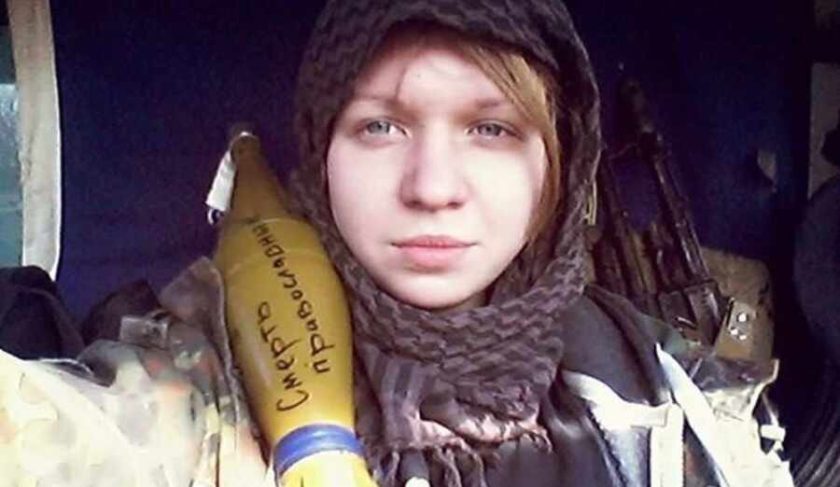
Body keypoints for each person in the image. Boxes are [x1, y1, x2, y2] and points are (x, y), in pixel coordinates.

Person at [287, 1, 794, 486]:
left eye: (491, 129)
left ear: (559, 164)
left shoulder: (679, 388)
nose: (433, 188)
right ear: (320, 150)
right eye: (380, 127)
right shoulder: (242, 371)